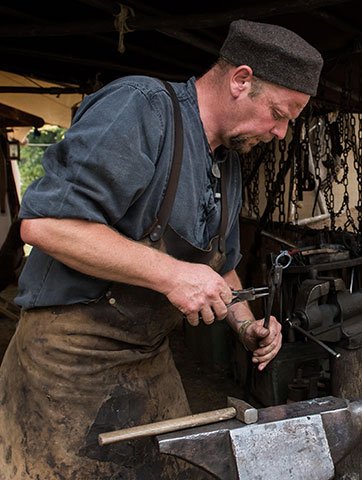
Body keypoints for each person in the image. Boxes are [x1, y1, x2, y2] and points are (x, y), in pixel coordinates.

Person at [0, 19, 323, 479]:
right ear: (241, 80)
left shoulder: (227, 162)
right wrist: (171, 274)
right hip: (67, 364)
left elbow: (220, 267)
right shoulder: (142, 108)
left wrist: (246, 325)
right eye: (280, 113)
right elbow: (46, 224)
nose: (281, 133)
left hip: (149, 360)